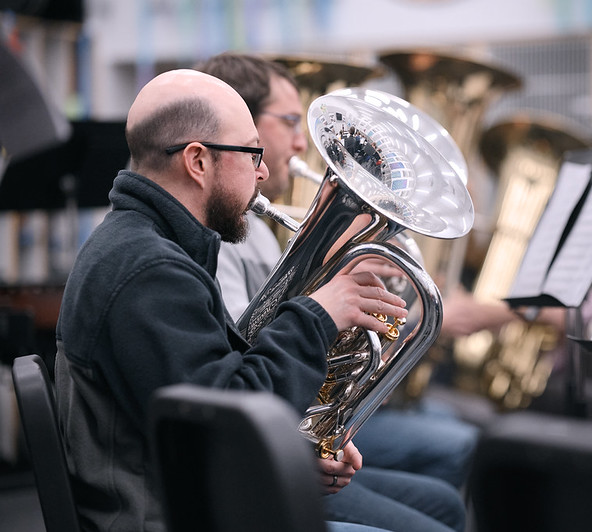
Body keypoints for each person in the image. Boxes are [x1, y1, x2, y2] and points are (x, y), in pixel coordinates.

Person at [53, 68, 462, 532]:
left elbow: (216, 393)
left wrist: (304, 443)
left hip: (196, 496)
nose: (264, 171)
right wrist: (318, 315)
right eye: (252, 153)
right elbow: (225, 424)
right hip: (173, 516)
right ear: (198, 161)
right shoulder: (148, 270)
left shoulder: (151, 247)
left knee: (441, 510)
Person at [195, 51, 478, 493]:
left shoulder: (260, 233)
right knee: (449, 475)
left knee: (443, 493)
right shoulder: (221, 238)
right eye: (289, 122)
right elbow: (246, 353)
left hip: (279, 432)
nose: (298, 144)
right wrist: (326, 301)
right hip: (252, 457)